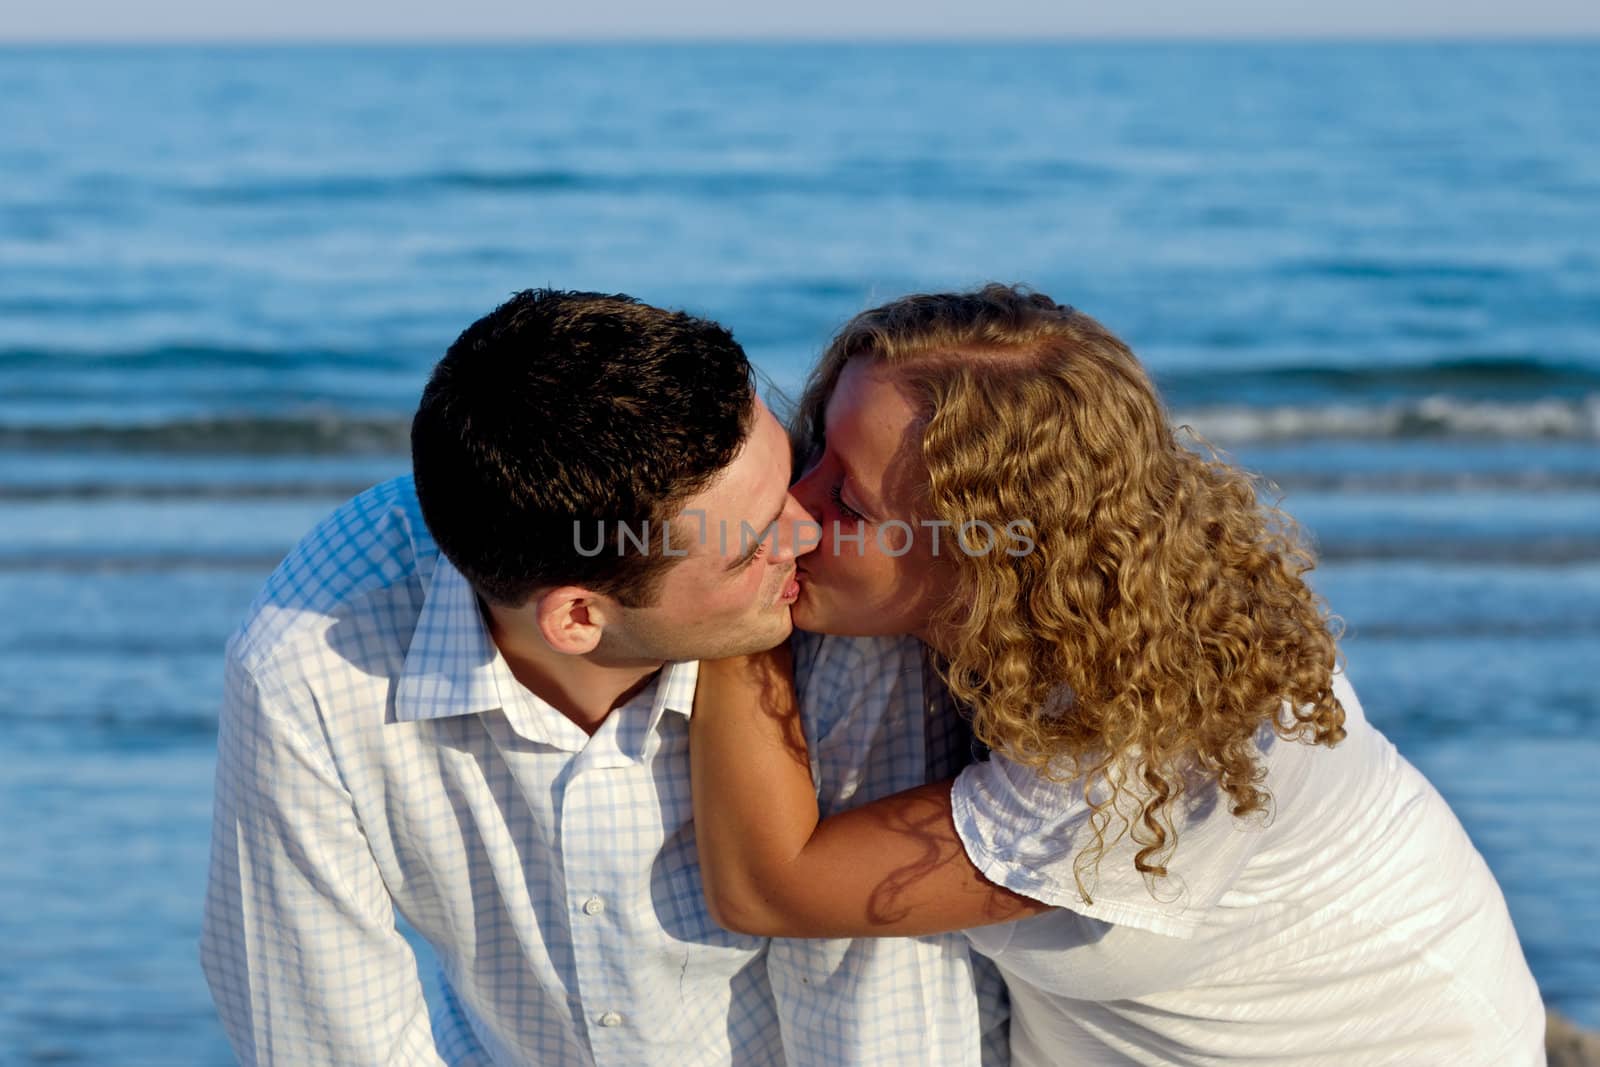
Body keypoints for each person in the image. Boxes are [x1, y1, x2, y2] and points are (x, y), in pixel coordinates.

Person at [688, 284, 1546, 1065]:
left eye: (849, 503)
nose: (793, 506)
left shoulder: (1141, 741)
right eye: (813, 452)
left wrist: (734, 594)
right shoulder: (1096, 600)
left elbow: (772, 886)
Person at [199, 289, 1004, 1065]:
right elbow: (320, 1030)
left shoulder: (846, 612)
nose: (810, 525)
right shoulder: (310, 667)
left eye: (784, 467)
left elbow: (883, 1001)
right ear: (579, 618)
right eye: (754, 537)